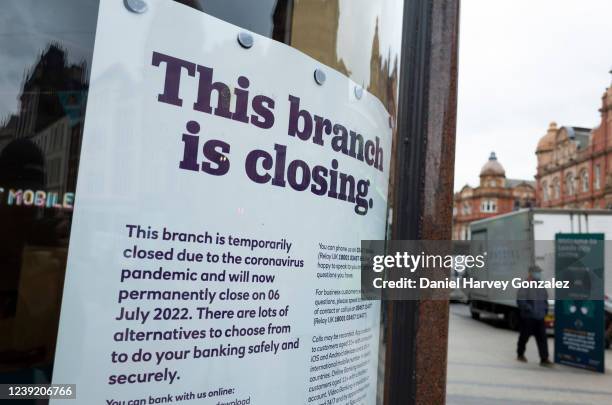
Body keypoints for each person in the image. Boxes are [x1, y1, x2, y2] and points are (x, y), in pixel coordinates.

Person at [516, 268, 553, 367]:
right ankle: (520, 354)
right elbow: (521, 300)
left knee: (542, 339)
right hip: (529, 318)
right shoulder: (525, 285)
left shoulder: (541, 285)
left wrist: (545, 310)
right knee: (524, 337)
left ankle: (544, 359)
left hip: (540, 318)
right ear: (531, 273)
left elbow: (545, 299)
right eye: (537, 272)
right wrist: (529, 309)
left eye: (539, 272)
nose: (539, 274)